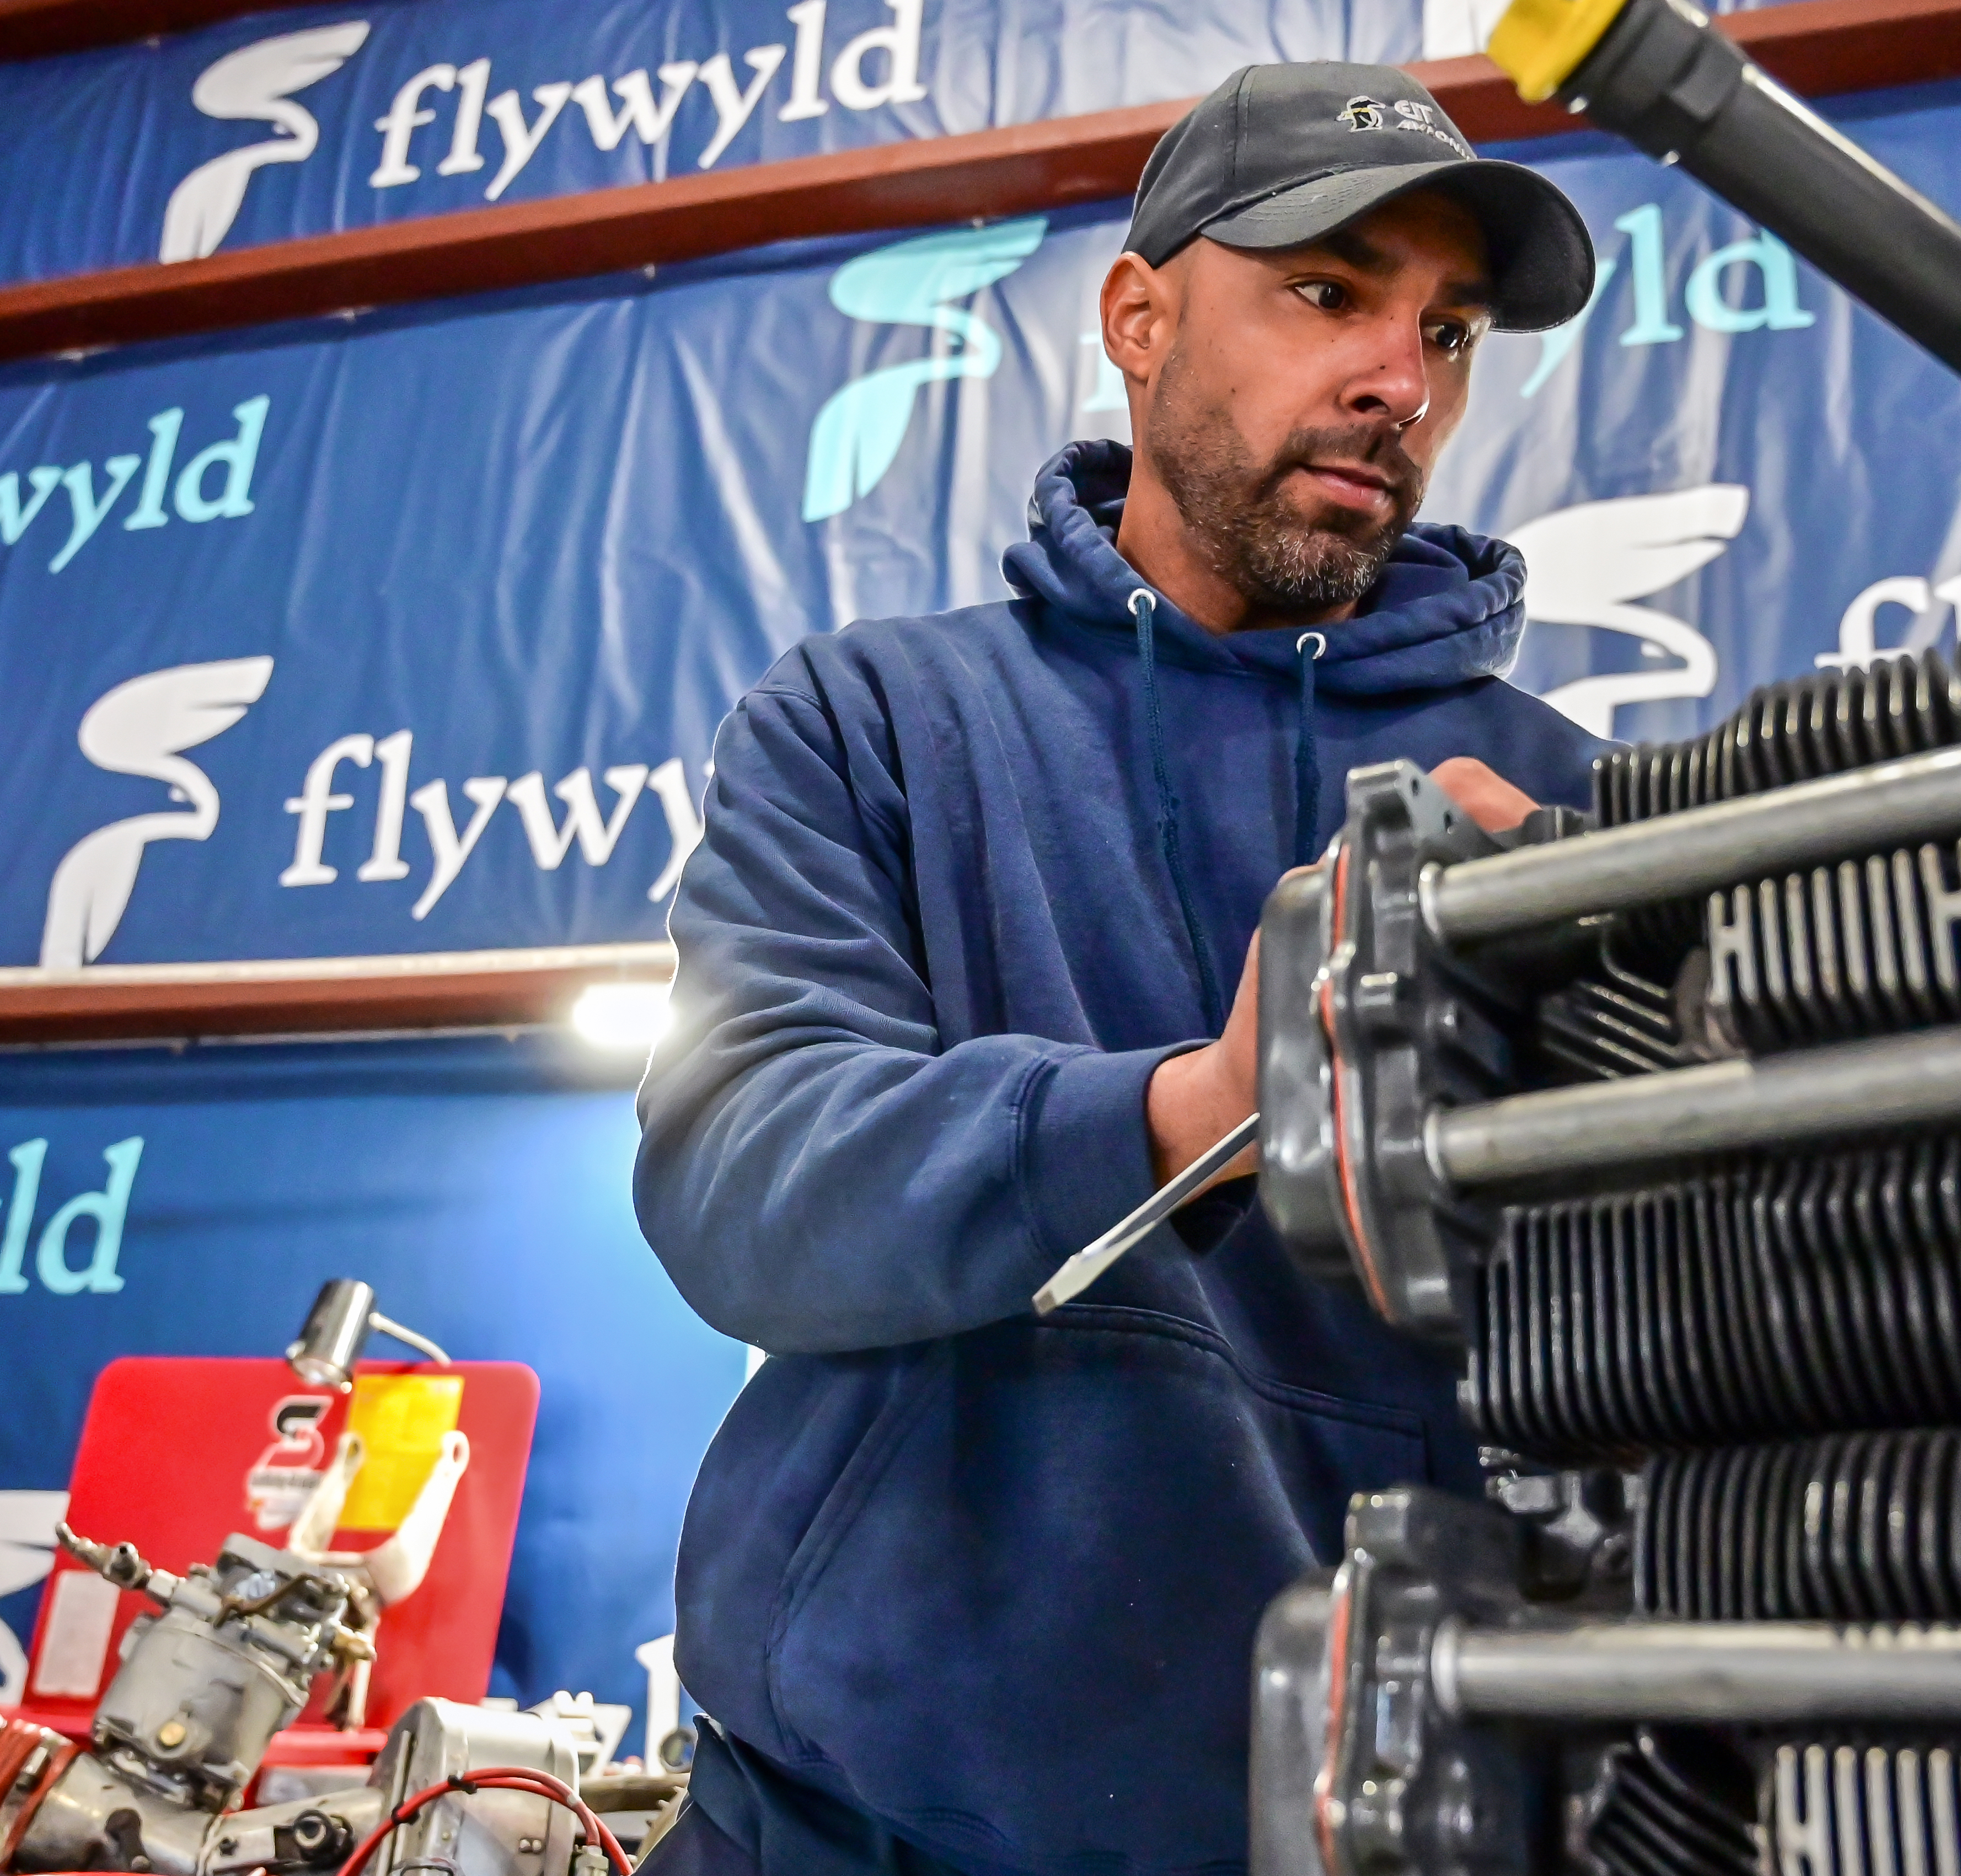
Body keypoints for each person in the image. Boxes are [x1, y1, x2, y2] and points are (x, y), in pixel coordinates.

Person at [633, 61, 1606, 1876]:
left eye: (1450, 331)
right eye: (1330, 292)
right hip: (845, 1832)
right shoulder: (877, 722)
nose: (1401, 379)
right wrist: (1213, 1105)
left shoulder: (1554, 805)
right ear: (1139, 319)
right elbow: (736, 1176)